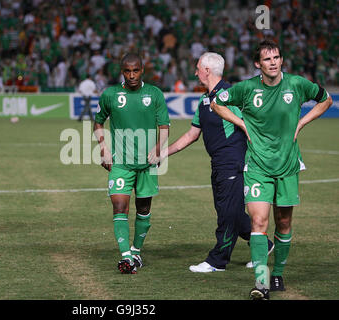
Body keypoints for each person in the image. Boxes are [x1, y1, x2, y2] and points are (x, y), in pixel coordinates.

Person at [211, 40, 333, 299]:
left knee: (284, 222)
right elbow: (216, 103)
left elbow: (326, 100)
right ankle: (262, 282)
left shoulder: (297, 84)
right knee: (258, 221)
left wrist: (301, 122)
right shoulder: (245, 89)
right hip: (257, 165)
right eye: (267, 59)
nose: (274, 62)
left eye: (277, 57)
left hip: (287, 164)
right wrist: (242, 123)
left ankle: (277, 272)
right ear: (258, 64)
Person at [157, 52, 262, 273]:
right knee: (229, 210)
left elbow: (249, 123)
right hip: (218, 163)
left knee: (227, 213)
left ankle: (217, 260)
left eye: (197, 68)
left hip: (233, 160)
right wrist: (162, 154)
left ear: (207, 70)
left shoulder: (230, 96)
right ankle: (264, 245)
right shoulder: (205, 100)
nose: (195, 72)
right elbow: (191, 135)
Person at [93, 53, 170, 274]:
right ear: (121, 71)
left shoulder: (154, 94)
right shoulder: (110, 94)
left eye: (135, 70)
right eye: (127, 71)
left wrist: (158, 149)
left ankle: (136, 250)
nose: (132, 75)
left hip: (147, 165)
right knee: (119, 207)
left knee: (143, 209)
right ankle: (126, 256)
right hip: (121, 164)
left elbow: (164, 126)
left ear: (142, 70)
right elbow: (98, 123)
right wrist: (104, 147)